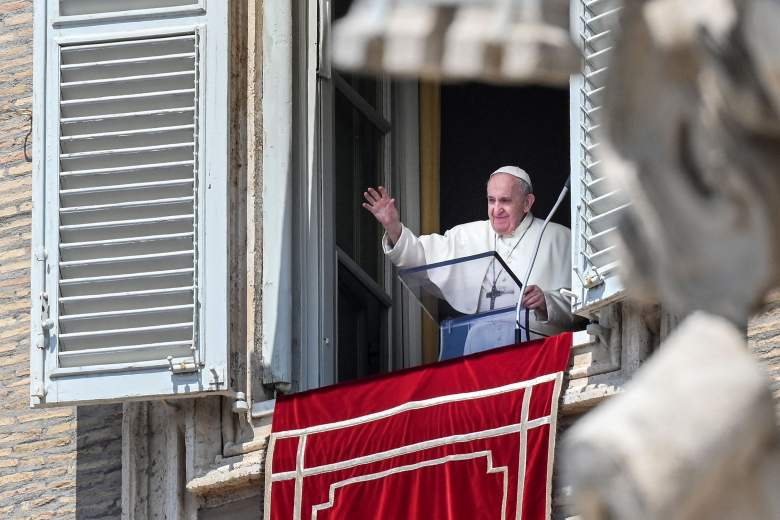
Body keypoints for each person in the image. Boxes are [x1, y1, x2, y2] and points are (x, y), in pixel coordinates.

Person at [362, 166, 578, 351]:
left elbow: (585, 306)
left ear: (527, 203)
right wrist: (393, 228)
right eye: (491, 200)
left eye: (505, 201)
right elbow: (420, 255)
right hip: (480, 350)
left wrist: (546, 303)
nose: (496, 210)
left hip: (537, 350)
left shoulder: (559, 238)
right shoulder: (468, 235)